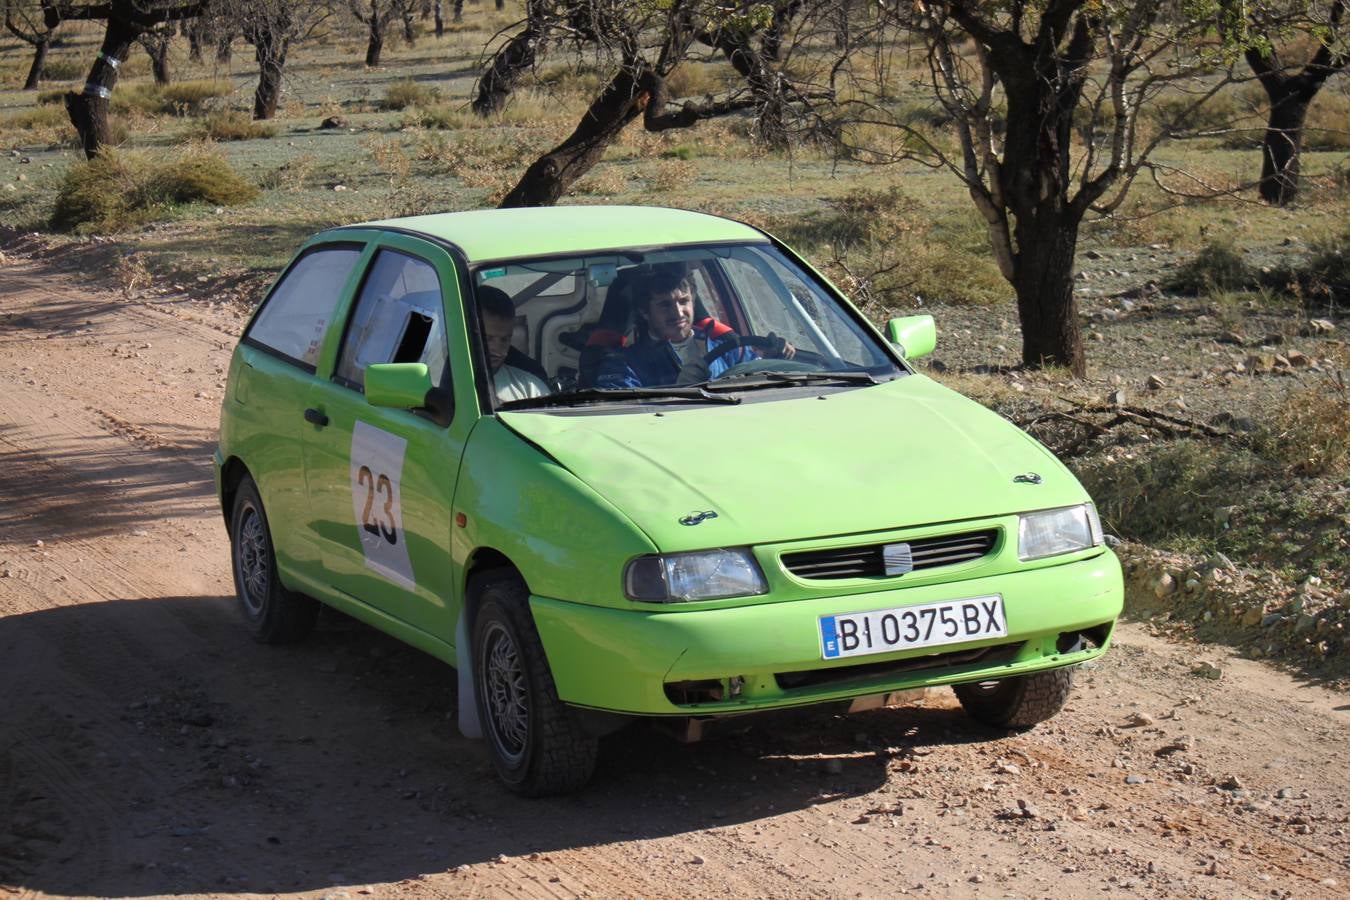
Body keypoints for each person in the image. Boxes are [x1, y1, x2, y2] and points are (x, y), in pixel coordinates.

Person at [596, 263, 793, 389]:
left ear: (693, 300)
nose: (678, 313)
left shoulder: (728, 347)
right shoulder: (625, 364)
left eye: (683, 301)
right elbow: (620, 421)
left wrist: (776, 357)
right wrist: (679, 391)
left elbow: (759, 378)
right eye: (665, 304)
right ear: (644, 312)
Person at [478, 286, 549, 403]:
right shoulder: (447, 385)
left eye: (505, 339)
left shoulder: (531, 389)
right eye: (487, 338)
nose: (498, 350)